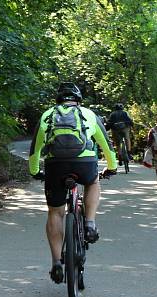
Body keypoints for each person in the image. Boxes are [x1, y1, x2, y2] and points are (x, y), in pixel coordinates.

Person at [29, 82, 118, 284]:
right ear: (78, 100)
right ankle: (89, 223)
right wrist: (112, 167)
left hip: (56, 165)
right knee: (93, 182)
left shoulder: (47, 115)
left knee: (55, 212)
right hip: (85, 163)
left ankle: (56, 263)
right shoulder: (89, 114)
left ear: (58, 100)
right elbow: (106, 144)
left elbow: (35, 149)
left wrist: (35, 171)